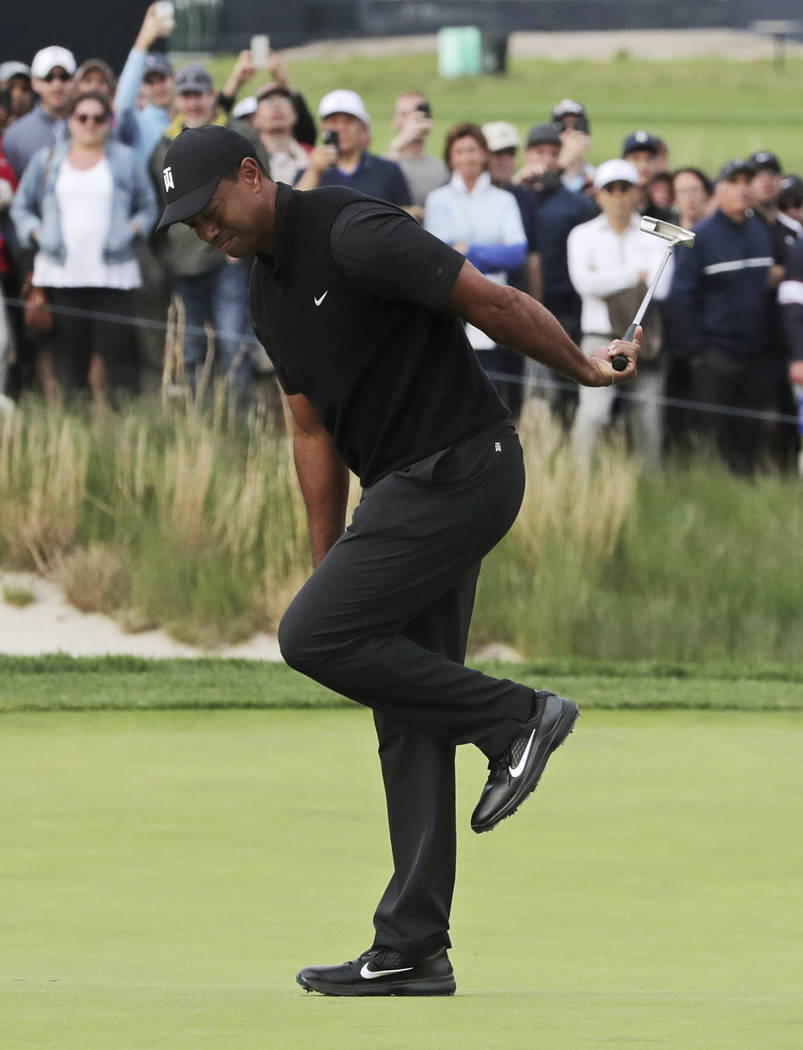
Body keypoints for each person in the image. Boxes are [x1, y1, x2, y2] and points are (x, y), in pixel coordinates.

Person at [154, 124, 641, 997]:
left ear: (252, 176)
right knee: (403, 704)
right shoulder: (266, 293)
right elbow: (310, 431)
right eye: (187, 224)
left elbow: (491, 303)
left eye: (206, 209)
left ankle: (517, 719)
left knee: (308, 637)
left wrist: (580, 367)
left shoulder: (352, 229)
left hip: (463, 466)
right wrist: (326, 563)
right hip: (404, 491)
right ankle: (414, 945)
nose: (203, 230)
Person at [10, 91, 157, 404]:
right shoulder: (48, 159)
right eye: (83, 117)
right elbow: (21, 206)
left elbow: (148, 207)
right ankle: (75, 429)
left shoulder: (125, 159)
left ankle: (122, 427)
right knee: (70, 358)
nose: (90, 124)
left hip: (113, 272)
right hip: (63, 273)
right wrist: (38, 233)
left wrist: (131, 231)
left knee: (117, 354)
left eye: (98, 117)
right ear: (71, 121)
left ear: (108, 122)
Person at [149, 63, 269, 401]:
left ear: (212, 96)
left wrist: (244, 244)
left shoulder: (239, 133)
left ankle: (240, 425)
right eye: (186, 95)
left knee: (234, 342)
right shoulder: (163, 145)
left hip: (228, 255)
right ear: (177, 99)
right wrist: (167, 255)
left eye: (199, 95)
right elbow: (160, 203)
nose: (193, 103)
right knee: (191, 348)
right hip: (183, 261)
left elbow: (263, 189)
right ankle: (201, 426)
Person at [666, 158, 777, 474]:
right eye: (734, 181)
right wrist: (699, 351)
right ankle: (714, 484)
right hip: (715, 353)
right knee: (715, 432)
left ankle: (747, 484)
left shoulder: (759, 232)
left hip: (755, 353)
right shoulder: (698, 237)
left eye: (747, 182)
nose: (742, 188)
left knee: (749, 429)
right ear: (719, 190)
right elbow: (681, 297)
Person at [568, 159, 672, 465]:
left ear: (637, 192)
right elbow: (585, 284)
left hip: (643, 338)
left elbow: (661, 288)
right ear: (599, 195)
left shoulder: (656, 234)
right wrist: (634, 276)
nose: (617, 195)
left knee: (648, 414)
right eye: (609, 189)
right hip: (599, 336)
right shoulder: (582, 235)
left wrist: (607, 276)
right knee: (594, 412)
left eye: (624, 188)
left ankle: (651, 486)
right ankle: (580, 482)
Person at [425, 122, 528, 416]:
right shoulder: (439, 199)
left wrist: (467, 250)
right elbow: (438, 255)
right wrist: (488, 250)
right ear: (451, 158)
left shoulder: (504, 200)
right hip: (453, 301)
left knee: (495, 382)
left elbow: (515, 253)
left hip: (495, 297)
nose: (467, 157)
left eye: (472, 149)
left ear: (483, 154)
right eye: (460, 151)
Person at [513, 121, 597, 420]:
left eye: (552, 153)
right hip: (517, 306)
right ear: (526, 154)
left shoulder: (578, 204)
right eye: (539, 152)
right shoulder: (515, 196)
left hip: (564, 309)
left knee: (566, 392)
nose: (545, 160)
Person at [295, 89, 411, 208]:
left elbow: (406, 215)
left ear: (362, 128)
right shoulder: (308, 172)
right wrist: (315, 171)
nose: (340, 128)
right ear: (322, 129)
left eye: (348, 121)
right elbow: (294, 211)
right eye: (333, 121)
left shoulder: (388, 171)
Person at [3, 46, 76, 178]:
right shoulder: (14, 135)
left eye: (64, 77)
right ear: (35, 83)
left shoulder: (92, 125)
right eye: (48, 77)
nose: (57, 84)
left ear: (74, 81)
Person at [385, 91, 448, 217]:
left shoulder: (443, 168)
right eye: (404, 114)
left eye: (418, 112)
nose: (412, 119)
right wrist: (402, 141)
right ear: (395, 121)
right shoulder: (385, 163)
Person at [251, 83, 310, 186]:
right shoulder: (247, 159)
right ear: (255, 118)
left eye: (283, 101)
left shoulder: (311, 155)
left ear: (295, 114)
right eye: (268, 102)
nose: (276, 107)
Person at [622, 130, 672, 221]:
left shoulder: (666, 218)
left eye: (649, 158)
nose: (643, 165)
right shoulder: (610, 211)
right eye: (636, 158)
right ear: (624, 162)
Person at [550, 98, 594, 193]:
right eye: (563, 126)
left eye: (577, 125)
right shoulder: (542, 174)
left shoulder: (596, 178)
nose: (571, 132)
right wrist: (562, 163)